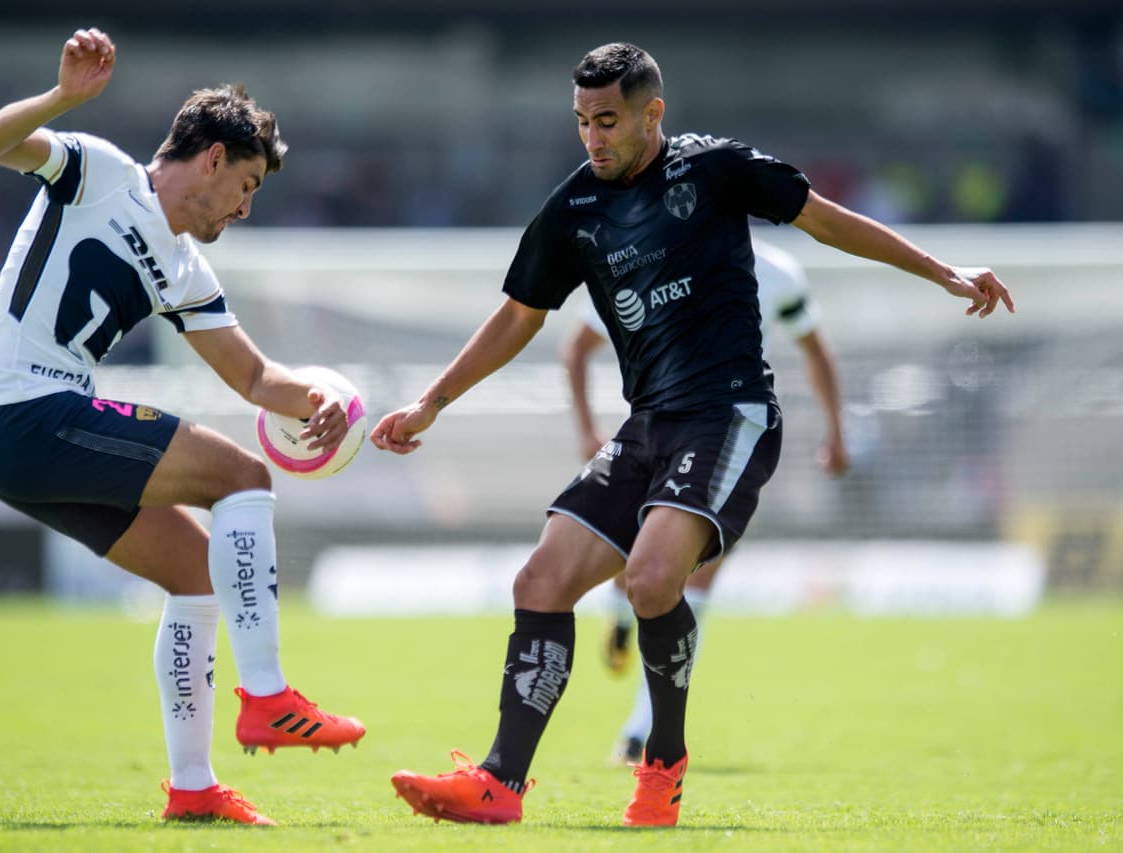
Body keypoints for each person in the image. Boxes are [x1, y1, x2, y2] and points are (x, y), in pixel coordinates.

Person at [370, 42, 1013, 828]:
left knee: (650, 580)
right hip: (648, 424)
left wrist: (944, 271)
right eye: (582, 122)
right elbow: (517, 317)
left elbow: (825, 220)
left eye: (608, 120)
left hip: (730, 412)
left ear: (653, 113)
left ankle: (661, 764)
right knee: (539, 582)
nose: (593, 137)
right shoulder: (575, 208)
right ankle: (499, 781)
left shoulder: (715, 168)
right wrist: (432, 402)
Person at [0, 28, 365, 826]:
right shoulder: (100, 171)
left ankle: (193, 786)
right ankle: (267, 694)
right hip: (24, 411)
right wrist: (63, 99)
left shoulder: (185, 268)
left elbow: (254, 377)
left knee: (197, 573)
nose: (247, 207)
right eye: (247, 184)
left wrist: (320, 401)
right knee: (243, 477)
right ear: (212, 159)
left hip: (27, 432)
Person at [561, 239, 849, 766]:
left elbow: (815, 349)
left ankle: (642, 730)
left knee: (693, 581)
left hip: (727, 439)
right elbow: (579, 347)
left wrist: (835, 431)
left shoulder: (777, 272)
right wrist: (586, 430)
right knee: (638, 572)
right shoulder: (646, 252)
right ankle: (620, 614)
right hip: (652, 434)